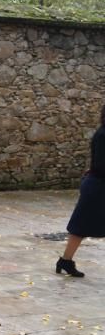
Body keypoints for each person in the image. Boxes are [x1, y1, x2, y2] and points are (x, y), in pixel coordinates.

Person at [57, 103, 105, 277]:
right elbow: (100, 164)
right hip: (98, 187)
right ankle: (66, 261)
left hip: (97, 184)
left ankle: (65, 261)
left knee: (81, 226)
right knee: (81, 226)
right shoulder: (102, 135)